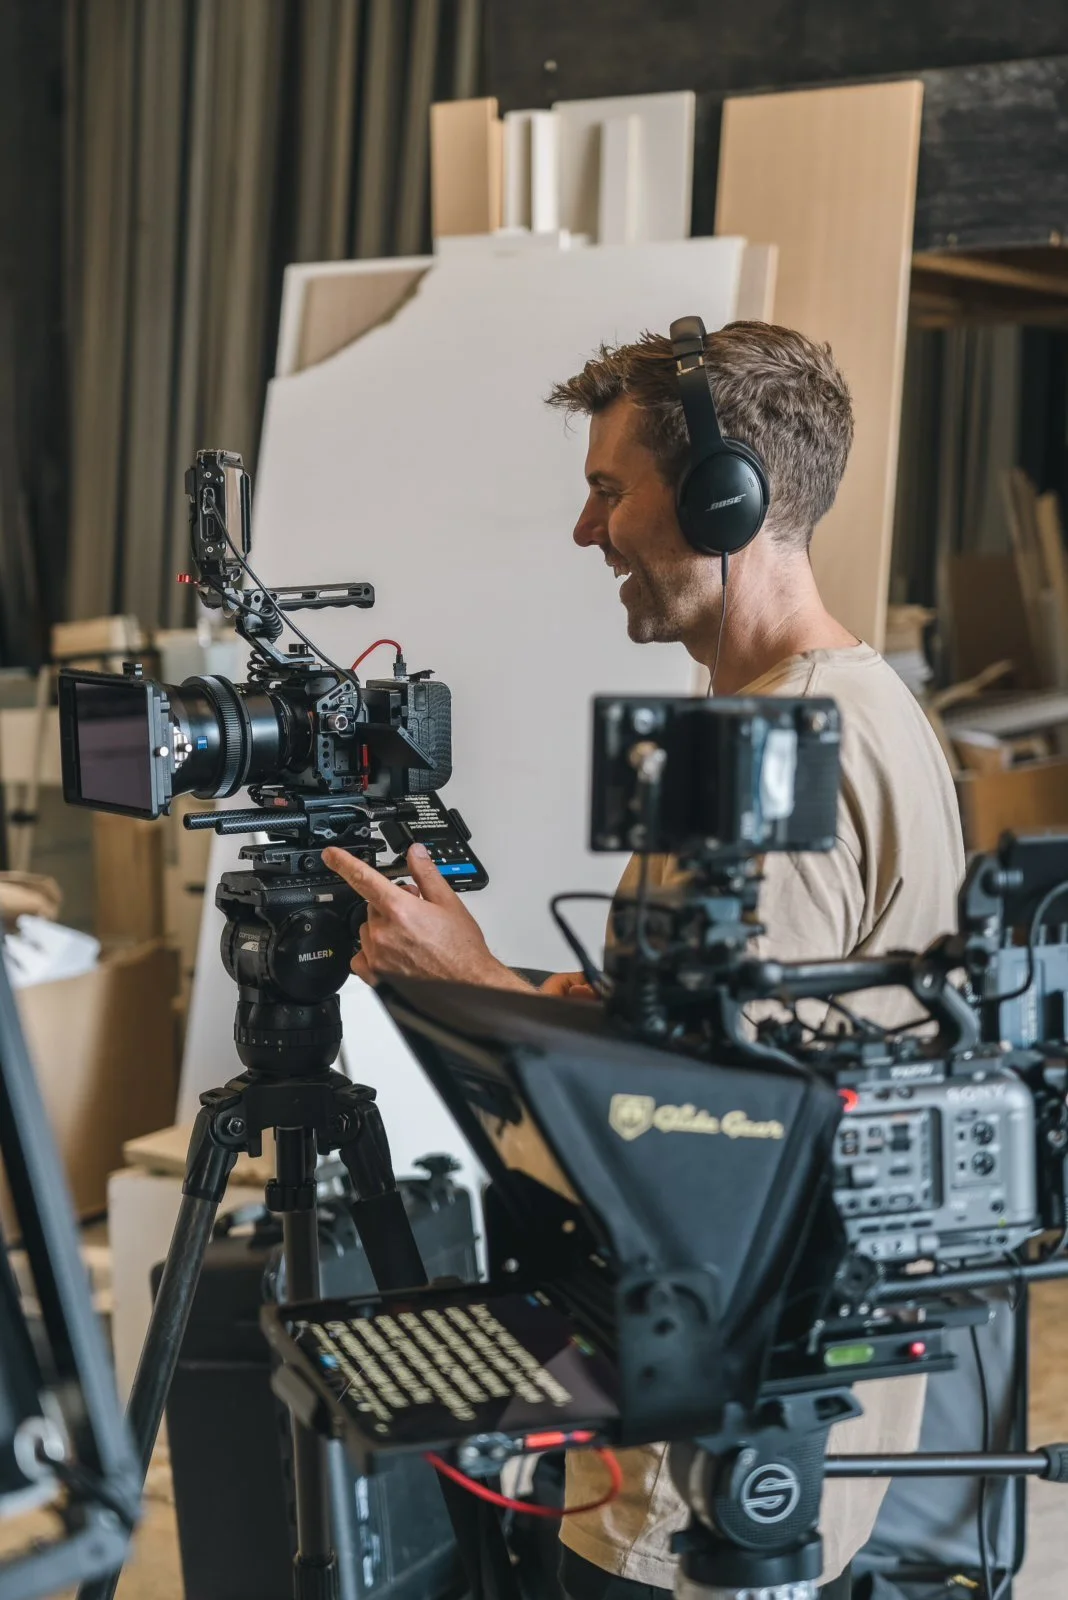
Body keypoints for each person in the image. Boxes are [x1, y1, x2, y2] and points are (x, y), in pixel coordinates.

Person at [322, 320, 966, 1599]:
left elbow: (707, 1146)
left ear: (729, 498)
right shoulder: (865, 703)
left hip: (697, 1468)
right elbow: (778, 1047)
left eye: (610, 491)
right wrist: (580, 1001)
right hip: (764, 1411)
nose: (588, 532)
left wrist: (468, 987)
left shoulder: (759, 772)